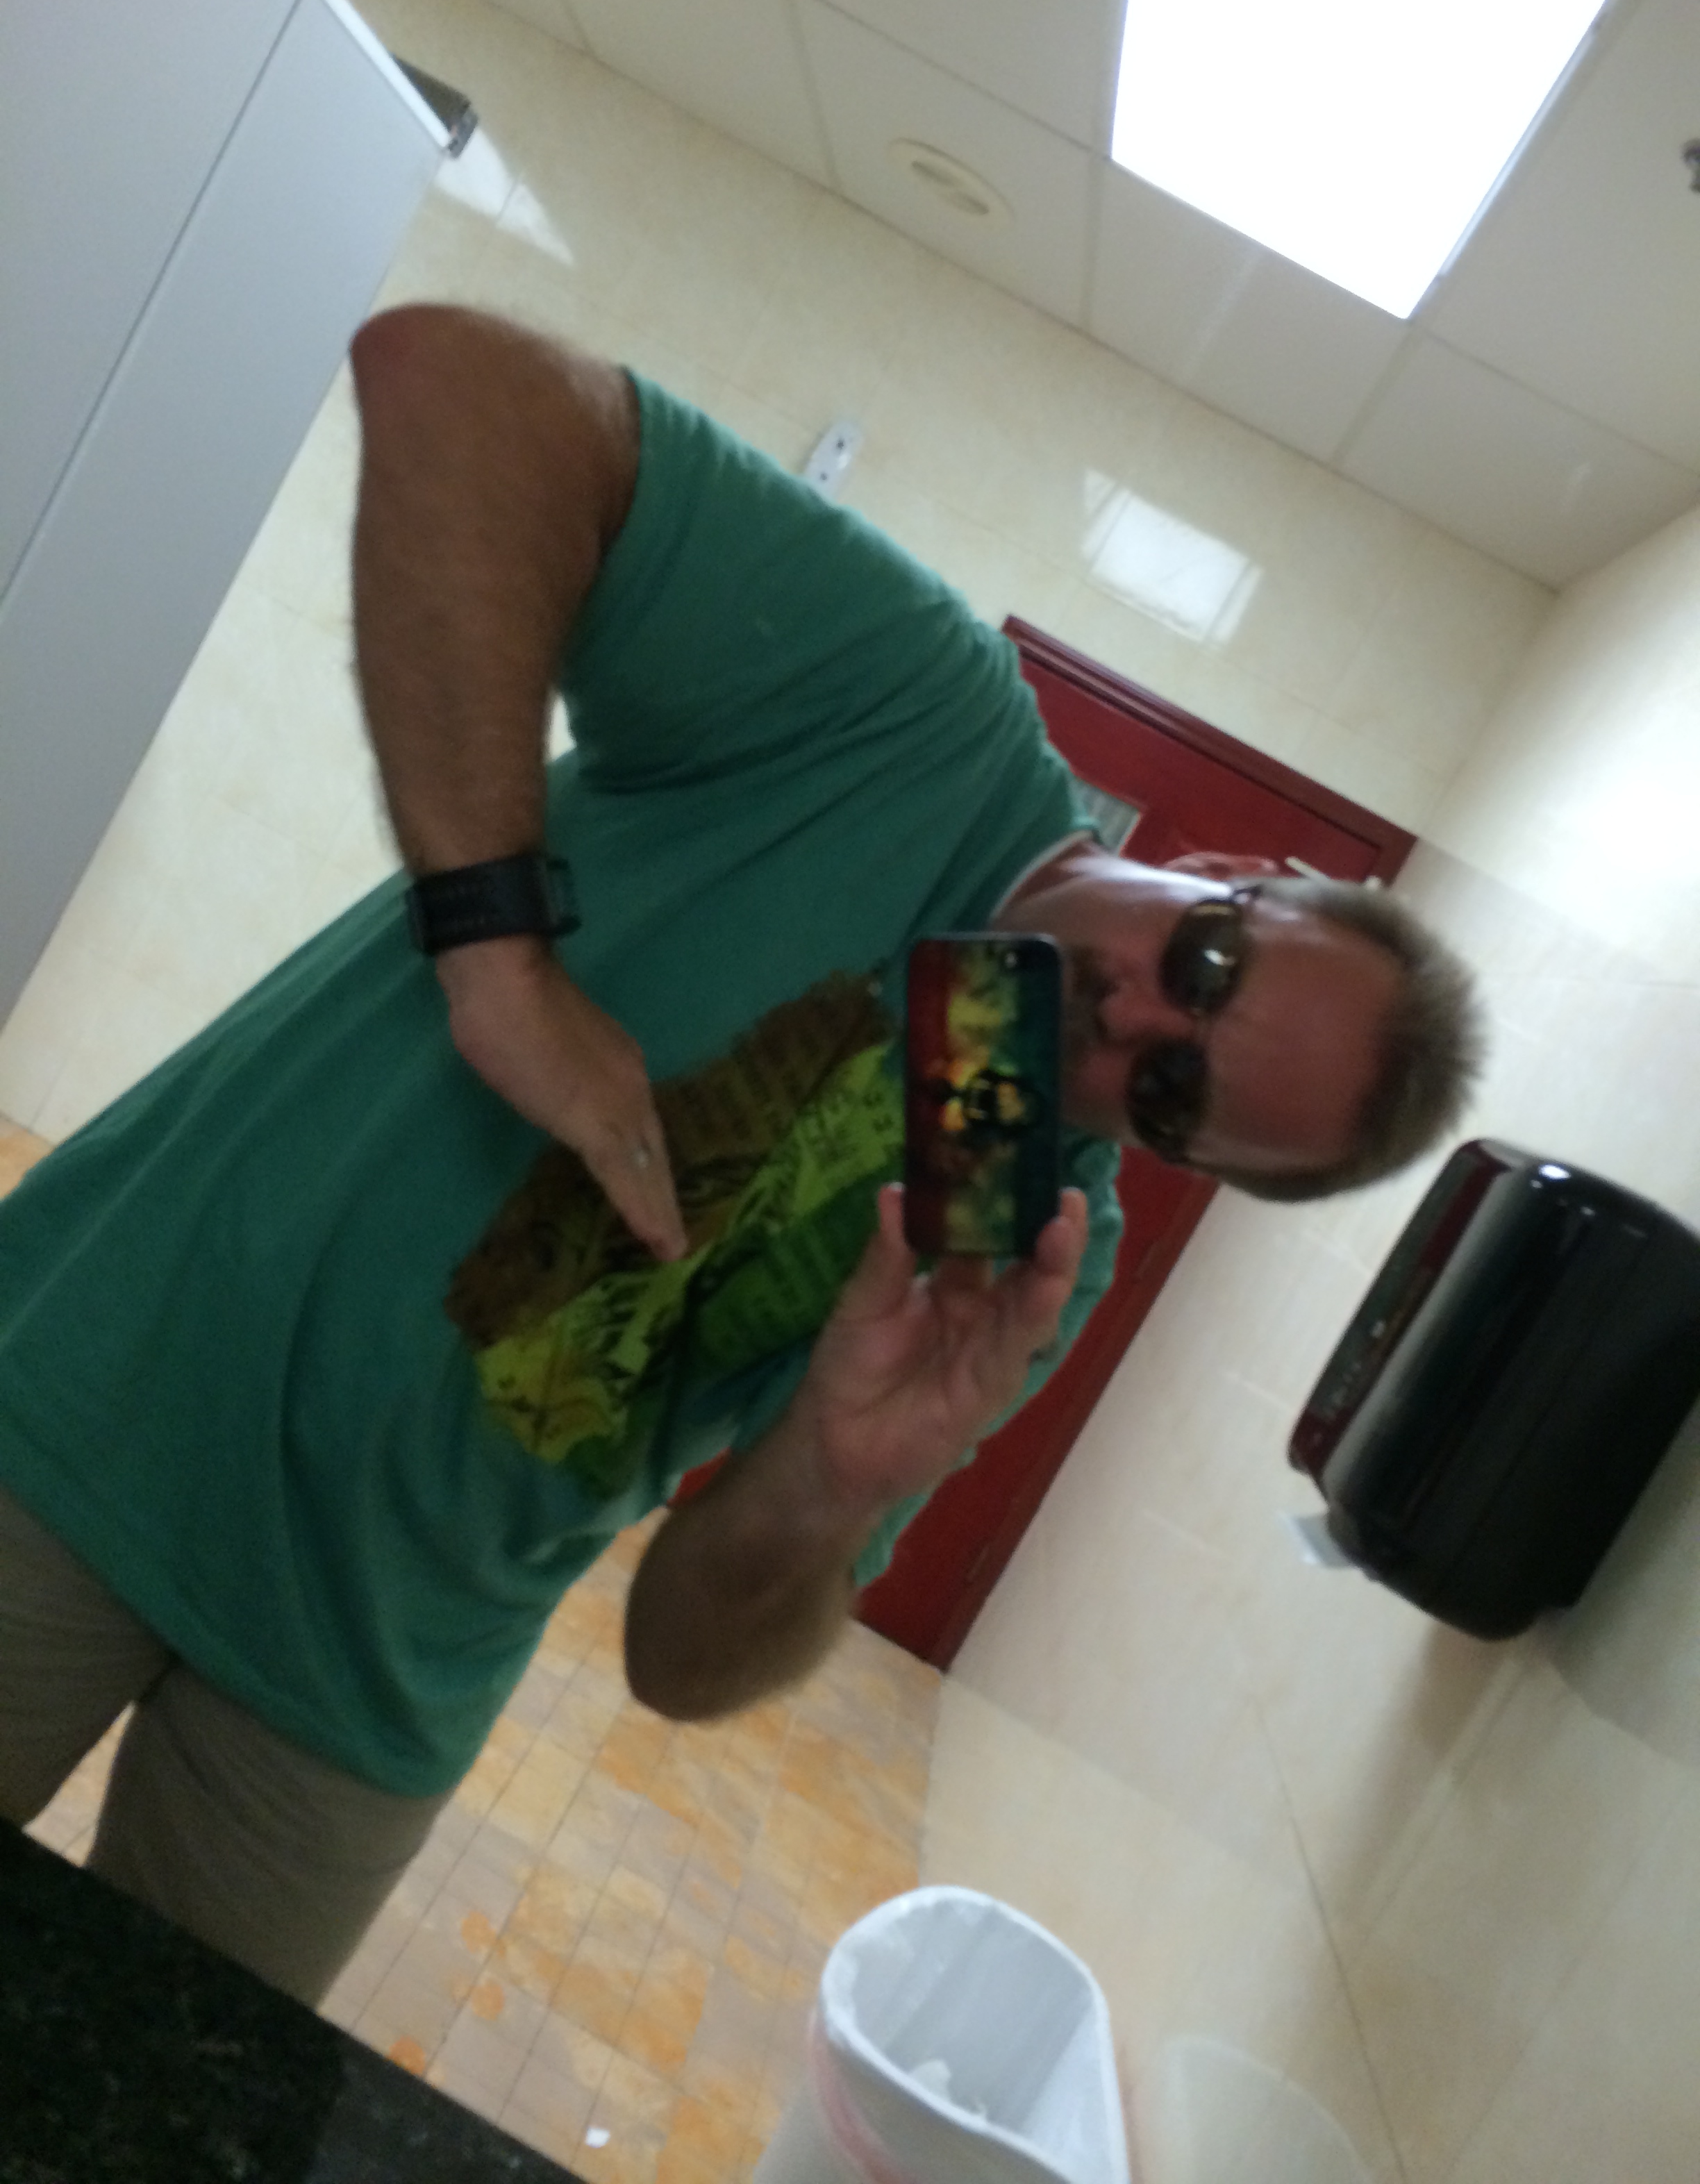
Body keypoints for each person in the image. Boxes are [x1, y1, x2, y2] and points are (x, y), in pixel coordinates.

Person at [0, 306, 1483, 2006]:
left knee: (159, 2117)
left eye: (1169, 1092)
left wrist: (832, 1480)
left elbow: (680, 1665)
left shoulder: (1019, 1249)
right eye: (1208, 961)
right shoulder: (918, 722)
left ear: (1175, 1158)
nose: (1133, 1014)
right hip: (99, 1400)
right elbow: (451, 380)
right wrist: (499, 960)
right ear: (1229, 870)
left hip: (373, 1674)